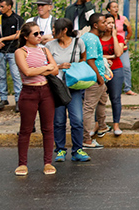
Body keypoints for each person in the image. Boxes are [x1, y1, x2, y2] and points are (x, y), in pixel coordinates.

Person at [14, 21, 58, 176]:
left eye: (40, 33)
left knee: (48, 128)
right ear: (26, 36)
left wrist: (42, 70)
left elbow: (56, 70)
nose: (40, 36)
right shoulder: (21, 52)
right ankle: (22, 164)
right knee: (26, 129)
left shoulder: (45, 50)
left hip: (46, 91)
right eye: (35, 34)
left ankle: (48, 162)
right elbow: (27, 72)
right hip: (29, 92)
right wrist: (46, 68)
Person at [45, 18, 89, 163]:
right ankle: (60, 150)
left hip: (74, 86)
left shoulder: (78, 42)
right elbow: (45, 66)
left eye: (55, 28)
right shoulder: (49, 45)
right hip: (57, 86)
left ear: (64, 30)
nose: (52, 31)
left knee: (77, 119)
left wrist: (76, 67)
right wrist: (60, 66)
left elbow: (84, 58)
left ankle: (77, 150)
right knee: (58, 120)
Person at [80, 13, 110, 150]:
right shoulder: (92, 39)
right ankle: (86, 139)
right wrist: (99, 77)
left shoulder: (87, 36)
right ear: (95, 25)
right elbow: (90, 60)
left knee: (102, 100)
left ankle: (102, 126)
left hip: (99, 76)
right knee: (89, 108)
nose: (106, 24)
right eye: (103, 22)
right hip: (94, 79)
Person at [0, 0, 24, 111]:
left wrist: (3, 39)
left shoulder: (17, 19)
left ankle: (18, 99)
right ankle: (3, 97)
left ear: (9, 7)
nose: (0, 8)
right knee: (1, 75)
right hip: (0, 51)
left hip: (13, 51)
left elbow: (18, 34)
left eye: (3, 6)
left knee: (15, 75)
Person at [98, 12, 126, 136]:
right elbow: (95, 56)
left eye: (111, 23)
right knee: (98, 99)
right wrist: (109, 56)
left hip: (116, 69)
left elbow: (118, 53)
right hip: (101, 71)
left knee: (115, 98)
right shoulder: (97, 38)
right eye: (107, 23)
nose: (109, 25)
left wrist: (114, 36)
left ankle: (116, 125)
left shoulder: (118, 37)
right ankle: (99, 124)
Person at [106, 0, 136, 95]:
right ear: (108, 9)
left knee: (126, 67)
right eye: (113, 7)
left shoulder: (123, 19)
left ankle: (127, 88)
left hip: (120, 45)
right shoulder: (106, 20)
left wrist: (125, 40)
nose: (116, 9)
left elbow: (130, 30)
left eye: (117, 7)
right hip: (109, 46)